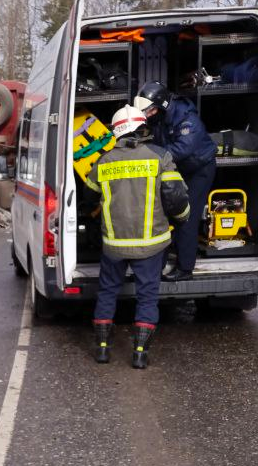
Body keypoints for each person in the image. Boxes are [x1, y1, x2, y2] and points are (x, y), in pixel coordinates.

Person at [84, 105, 190, 369]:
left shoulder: (104, 161)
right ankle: (140, 354)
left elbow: (88, 199)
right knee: (147, 296)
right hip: (151, 245)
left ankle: (102, 350)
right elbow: (176, 199)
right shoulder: (160, 157)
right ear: (143, 128)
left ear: (117, 132)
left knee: (107, 292)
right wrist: (182, 219)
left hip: (114, 245)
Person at [133, 81, 217, 282]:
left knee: (186, 217)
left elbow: (180, 149)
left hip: (199, 170)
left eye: (150, 111)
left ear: (161, 105)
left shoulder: (188, 120)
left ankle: (185, 269)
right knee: (162, 214)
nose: (148, 115)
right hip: (178, 168)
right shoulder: (161, 117)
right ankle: (157, 266)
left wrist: (147, 155)